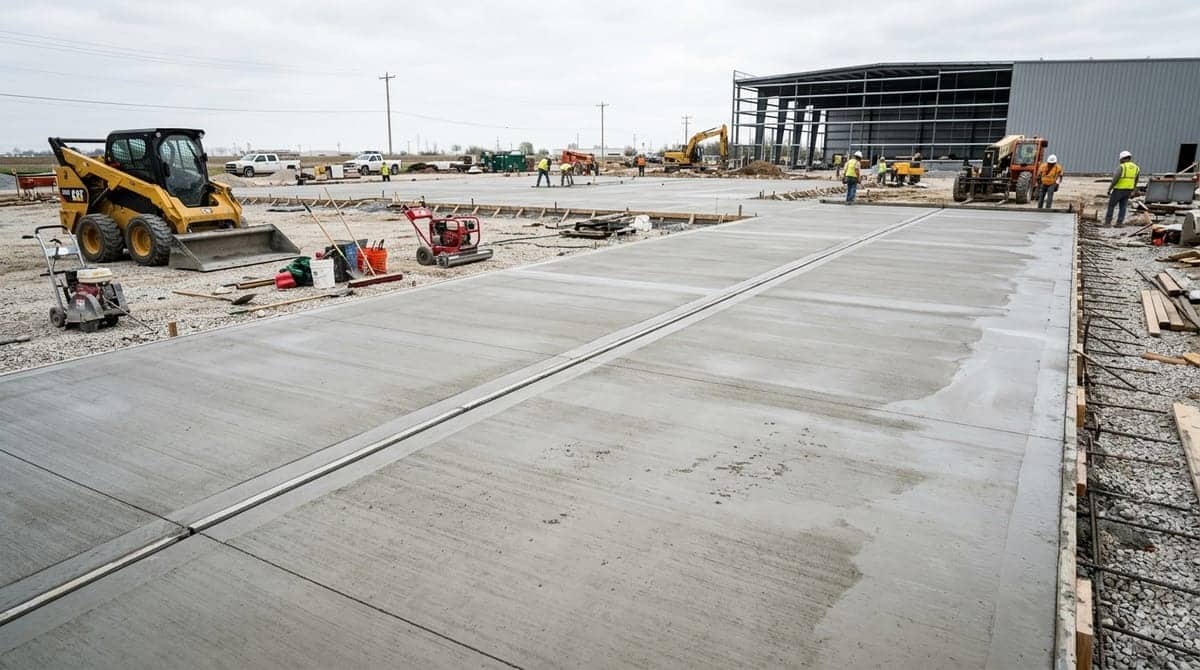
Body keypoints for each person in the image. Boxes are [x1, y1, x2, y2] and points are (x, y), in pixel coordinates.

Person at [1105, 150, 1140, 226]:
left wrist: (1109, 189)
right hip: (1128, 190)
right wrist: (1133, 190)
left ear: (1123, 158)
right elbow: (1136, 180)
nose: (1120, 161)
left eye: (1120, 159)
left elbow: (1115, 179)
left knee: (1111, 205)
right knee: (1123, 207)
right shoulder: (1136, 168)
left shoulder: (1122, 167)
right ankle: (1119, 223)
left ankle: (1107, 222)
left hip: (1118, 190)